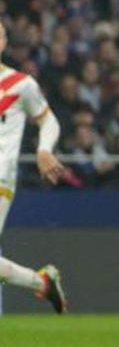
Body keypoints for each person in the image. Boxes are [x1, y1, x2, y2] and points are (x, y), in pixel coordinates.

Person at [0, 21, 68, 313]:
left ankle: (42, 283)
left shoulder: (20, 85)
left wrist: (43, 149)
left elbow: (48, 120)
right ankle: (42, 283)